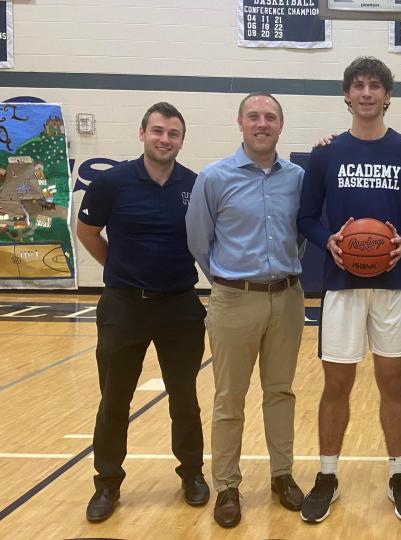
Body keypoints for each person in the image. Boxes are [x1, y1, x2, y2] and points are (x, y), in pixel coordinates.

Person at [297, 56, 401, 524]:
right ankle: (327, 476)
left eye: (376, 86)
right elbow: (306, 217)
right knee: (337, 384)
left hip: (394, 286)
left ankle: (399, 475)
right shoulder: (325, 154)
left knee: (392, 383)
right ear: (347, 95)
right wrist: (328, 241)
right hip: (341, 285)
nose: (367, 93)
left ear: (388, 95)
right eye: (359, 86)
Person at [77, 102, 209, 523]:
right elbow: (87, 231)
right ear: (142, 134)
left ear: (181, 141)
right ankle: (107, 483)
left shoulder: (195, 184)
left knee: (185, 399)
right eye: (157, 131)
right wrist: (118, 269)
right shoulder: (112, 183)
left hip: (180, 307)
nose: (164, 139)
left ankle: (191, 474)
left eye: (173, 134)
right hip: (123, 307)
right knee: (114, 400)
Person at [185, 93, 306, 528]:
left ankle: (282, 474)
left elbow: (302, 234)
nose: (262, 123)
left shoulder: (297, 178)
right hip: (234, 297)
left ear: (280, 125)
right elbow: (199, 240)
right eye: (253, 116)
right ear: (240, 123)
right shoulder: (214, 177)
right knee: (228, 398)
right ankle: (228, 486)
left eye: (270, 117)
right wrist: (228, 278)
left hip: (288, 297)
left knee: (280, 391)